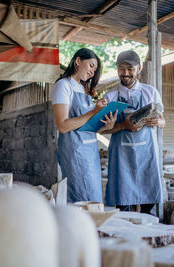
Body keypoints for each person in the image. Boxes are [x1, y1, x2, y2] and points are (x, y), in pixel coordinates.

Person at [102, 50, 165, 214]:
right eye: (121, 68)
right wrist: (123, 125)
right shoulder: (110, 97)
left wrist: (157, 121)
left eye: (130, 68)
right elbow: (101, 129)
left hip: (147, 155)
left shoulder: (150, 92)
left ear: (139, 68)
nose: (126, 73)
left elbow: (163, 121)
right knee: (122, 208)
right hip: (121, 157)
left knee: (148, 206)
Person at [51, 48, 117, 203]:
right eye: (91, 66)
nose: (92, 72)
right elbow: (63, 126)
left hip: (90, 153)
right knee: (80, 201)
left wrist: (106, 126)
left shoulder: (81, 88)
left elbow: (87, 126)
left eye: (95, 69)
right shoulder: (63, 86)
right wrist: (94, 111)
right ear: (78, 61)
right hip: (75, 152)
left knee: (93, 200)